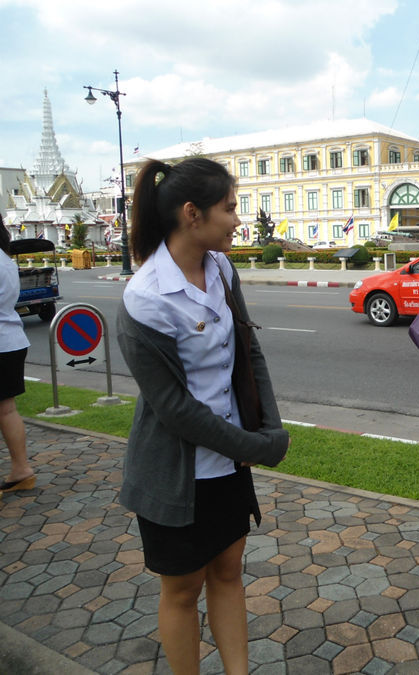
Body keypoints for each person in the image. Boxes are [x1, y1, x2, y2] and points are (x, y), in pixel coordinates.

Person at [117, 157, 290, 674]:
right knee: (182, 588)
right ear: (193, 214)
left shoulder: (220, 268)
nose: (239, 219)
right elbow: (173, 409)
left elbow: (248, 351)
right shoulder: (146, 298)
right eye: (230, 208)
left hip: (228, 466)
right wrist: (254, 447)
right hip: (177, 473)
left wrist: (271, 426)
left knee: (229, 571)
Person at [0, 215, 36, 496]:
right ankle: (20, 468)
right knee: (7, 409)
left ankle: (21, 470)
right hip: (12, 340)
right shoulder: (6, 260)